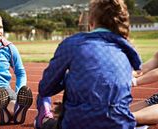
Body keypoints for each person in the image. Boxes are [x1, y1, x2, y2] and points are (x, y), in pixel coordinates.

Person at [34, 0, 142, 129]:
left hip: (78, 124)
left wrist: (69, 78)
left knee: (51, 121)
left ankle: (44, 119)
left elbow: (45, 88)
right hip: (121, 125)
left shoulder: (73, 43)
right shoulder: (127, 50)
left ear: (91, 22)